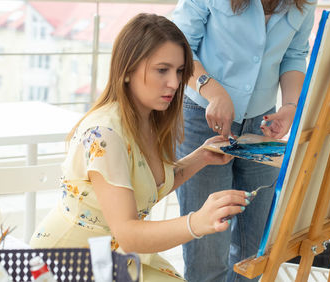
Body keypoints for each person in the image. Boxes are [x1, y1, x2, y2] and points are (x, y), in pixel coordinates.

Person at [30, 13, 250, 281]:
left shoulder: (147, 119)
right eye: (162, 70)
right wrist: (197, 222)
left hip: (116, 253)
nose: (175, 82)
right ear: (127, 70)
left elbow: (145, 189)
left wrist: (200, 157)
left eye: (179, 71)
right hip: (72, 260)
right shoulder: (105, 134)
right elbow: (128, 233)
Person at [173, 0, 316, 280]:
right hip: (202, 115)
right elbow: (179, 46)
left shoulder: (304, 2)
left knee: (254, 246)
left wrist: (289, 105)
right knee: (209, 243)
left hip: (262, 122)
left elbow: (295, 54)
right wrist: (213, 91)